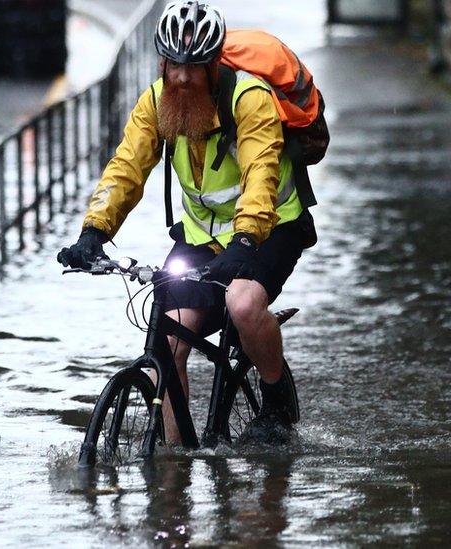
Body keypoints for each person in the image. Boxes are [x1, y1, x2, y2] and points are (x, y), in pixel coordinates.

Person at [57, 0, 316, 444]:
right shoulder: (158, 101)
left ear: (214, 64)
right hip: (202, 235)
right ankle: (174, 465)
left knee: (243, 303)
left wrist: (246, 240)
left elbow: (260, 177)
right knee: (168, 339)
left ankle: (275, 400)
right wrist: (94, 231)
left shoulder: (249, 101)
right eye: (172, 64)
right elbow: (127, 167)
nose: (180, 76)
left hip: (271, 227)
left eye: (193, 67)